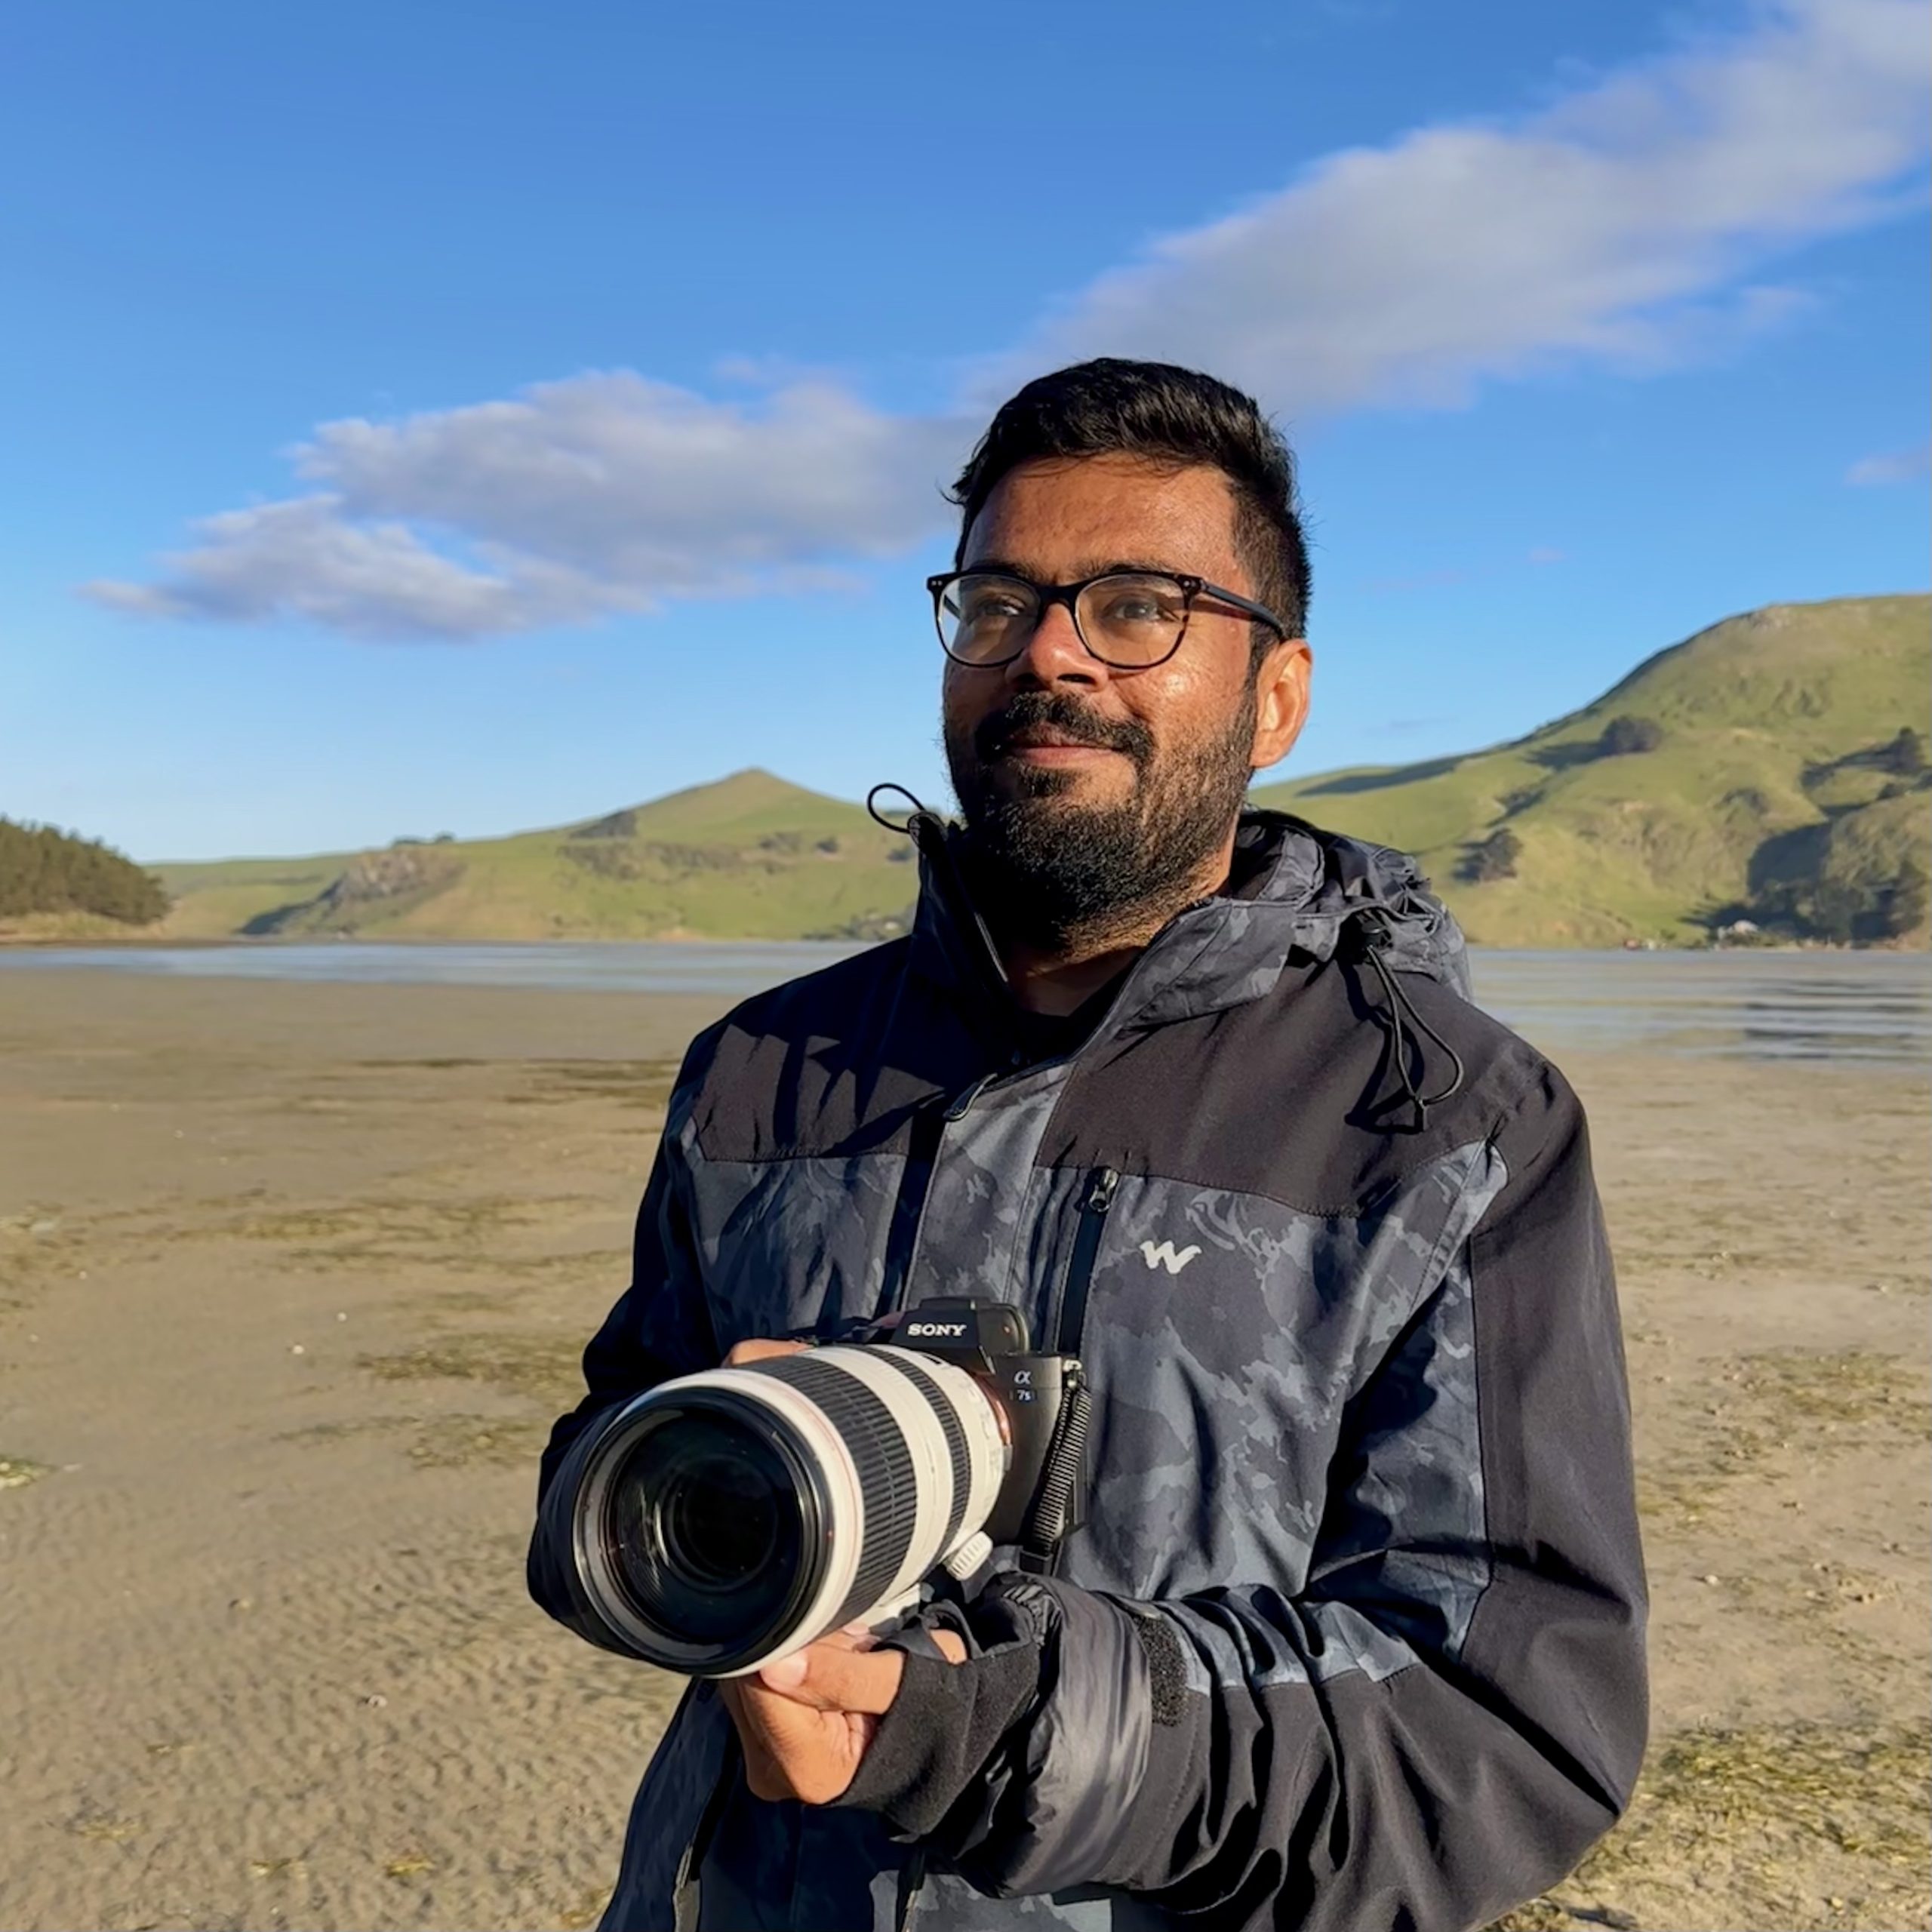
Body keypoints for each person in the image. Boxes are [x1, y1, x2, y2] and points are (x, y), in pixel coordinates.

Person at [528, 358, 1647, 1932]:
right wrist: (708, 1505)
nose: (1047, 652)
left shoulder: (1446, 1127)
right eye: (996, 601)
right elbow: (607, 1462)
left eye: (1135, 605)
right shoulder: (759, 1069)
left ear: (1273, 694)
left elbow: (1502, 1731)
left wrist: (992, 1724)